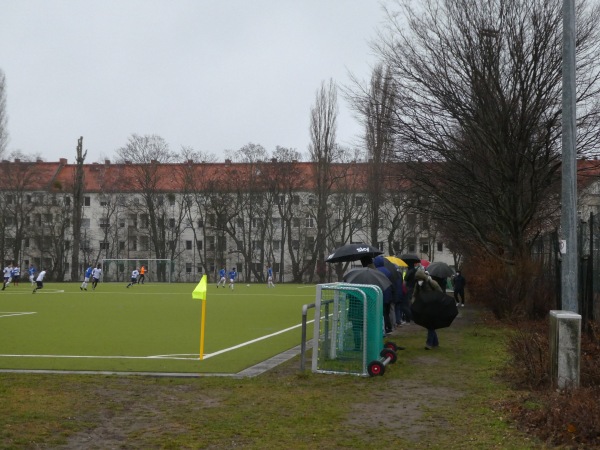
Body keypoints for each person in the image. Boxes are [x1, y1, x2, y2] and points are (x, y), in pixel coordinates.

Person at [413, 269, 443, 350]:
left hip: (433, 306)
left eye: (420, 279)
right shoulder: (418, 285)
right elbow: (415, 294)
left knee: (430, 324)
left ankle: (429, 344)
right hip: (425, 306)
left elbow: (440, 292)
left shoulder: (432, 283)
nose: (419, 281)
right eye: (418, 279)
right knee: (430, 325)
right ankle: (435, 343)